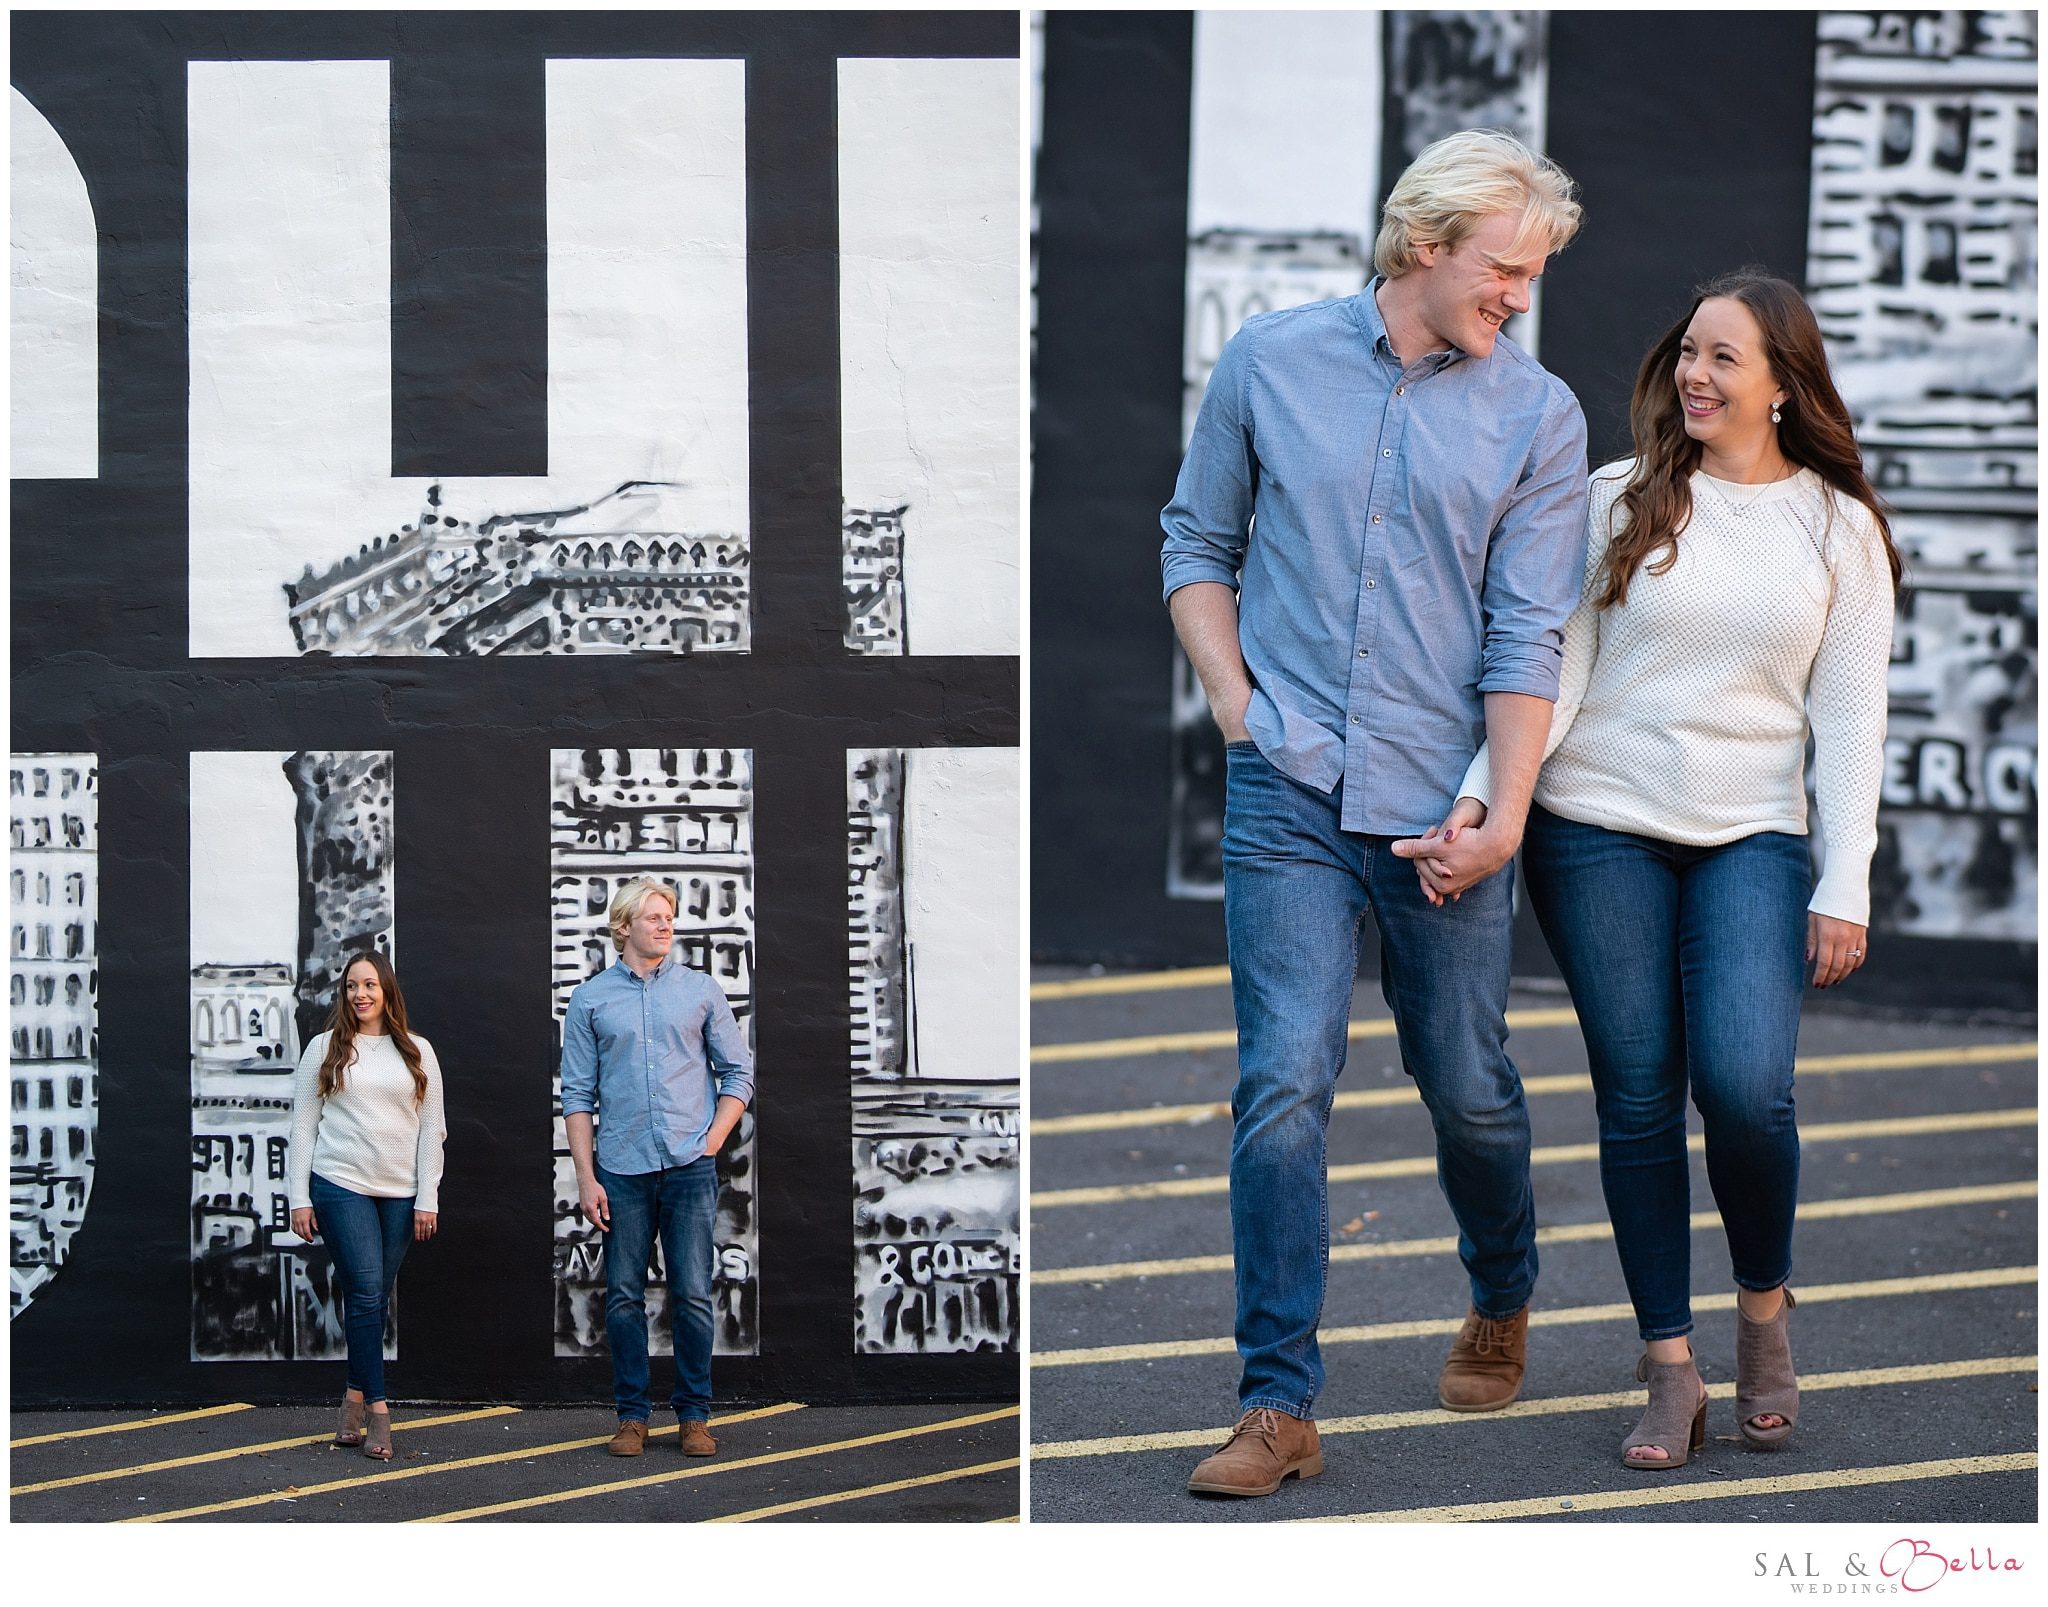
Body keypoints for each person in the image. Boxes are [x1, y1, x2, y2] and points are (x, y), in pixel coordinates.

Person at [1403, 271, 1898, 1469]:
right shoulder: (1615, 499)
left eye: (1724, 357)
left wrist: (1846, 878)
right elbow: (1549, 668)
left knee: (1743, 1087)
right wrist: (1486, 792)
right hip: (1598, 823)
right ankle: (1669, 1362)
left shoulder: (1834, 528)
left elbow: (1851, 717)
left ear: (1783, 385)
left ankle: (1763, 1313)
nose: (1694, 373)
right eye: (1687, 350)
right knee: (1634, 1094)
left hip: (1750, 835)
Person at [1160, 129, 1589, 1498]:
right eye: (1507, 266)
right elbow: (1197, 545)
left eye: (1533, 273)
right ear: (1426, 244)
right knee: (1284, 1079)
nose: (1519, 295)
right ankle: (1278, 1400)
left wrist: (1503, 809)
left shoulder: (1540, 414)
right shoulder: (1270, 361)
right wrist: (1238, 702)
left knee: (1466, 1082)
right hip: (1288, 789)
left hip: (1447, 812)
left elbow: (1530, 634)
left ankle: (1501, 1284)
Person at [562, 876, 752, 1458]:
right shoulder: (591, 999)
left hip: (690, 1167)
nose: (665, 925)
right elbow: (577, 1096)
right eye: (653, 917)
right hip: (621, 1168)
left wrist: (711, 1142)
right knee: (622, 1295)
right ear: (624, 927)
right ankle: (632, 1417)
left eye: (669, 916)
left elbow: (737, 1075)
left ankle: (694, 1416)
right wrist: (588, 1178)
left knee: (693, 1293)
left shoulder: (701, 991)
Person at [288, 949, 446, 1463]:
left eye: (371, 985)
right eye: (353, 986)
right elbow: (303, 1127)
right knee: (364, 1294)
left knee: (372, 1298)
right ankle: (379, 1410)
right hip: (341, 1183)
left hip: (401, 1194)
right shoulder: (324, 1049)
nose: (361, 994)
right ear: (344, 994)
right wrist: (298, 1197)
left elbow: (431, 1133)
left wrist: (428, 1197)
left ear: (387, 992)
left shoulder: (417, 1051)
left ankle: (351, 1401)